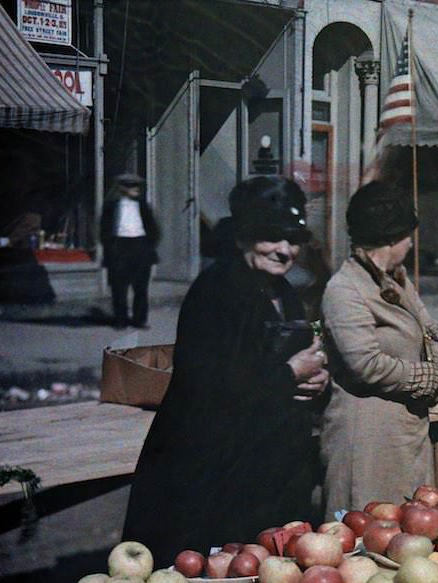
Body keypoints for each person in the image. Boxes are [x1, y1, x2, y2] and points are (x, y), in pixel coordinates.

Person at [123, 176, 328, 559]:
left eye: (294, 239)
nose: (285, 251)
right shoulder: (216, 292)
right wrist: (290, 374)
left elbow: (292, 371)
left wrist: (316, 382)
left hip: (268, 476)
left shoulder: (284, 292)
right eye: (272, 237)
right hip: (212, 477)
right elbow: (208, 387)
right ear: (242, 237)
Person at [320, 182, 438, 511]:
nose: (411, 243)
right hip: (367, 439)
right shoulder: (345, 289)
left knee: (413, 530)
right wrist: (430, 380)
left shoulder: (398, 281)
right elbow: (366, 364)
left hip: (406, 432)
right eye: (408, 235)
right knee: (368, 532)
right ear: (391, 239)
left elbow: (431, 330)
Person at [99, 173, 159, 329]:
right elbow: (104, 230)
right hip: (120, 246)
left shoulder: (142, 205)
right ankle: (121, 319)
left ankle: (139, 320)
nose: (137, 189)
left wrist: (149, 246)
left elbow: (152, 227)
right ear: (122, 188)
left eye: (137, 186)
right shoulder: (112, 206)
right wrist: (110, 247)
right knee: (119, 286)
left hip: (140, 244)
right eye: (132, 186)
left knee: (141, 286)